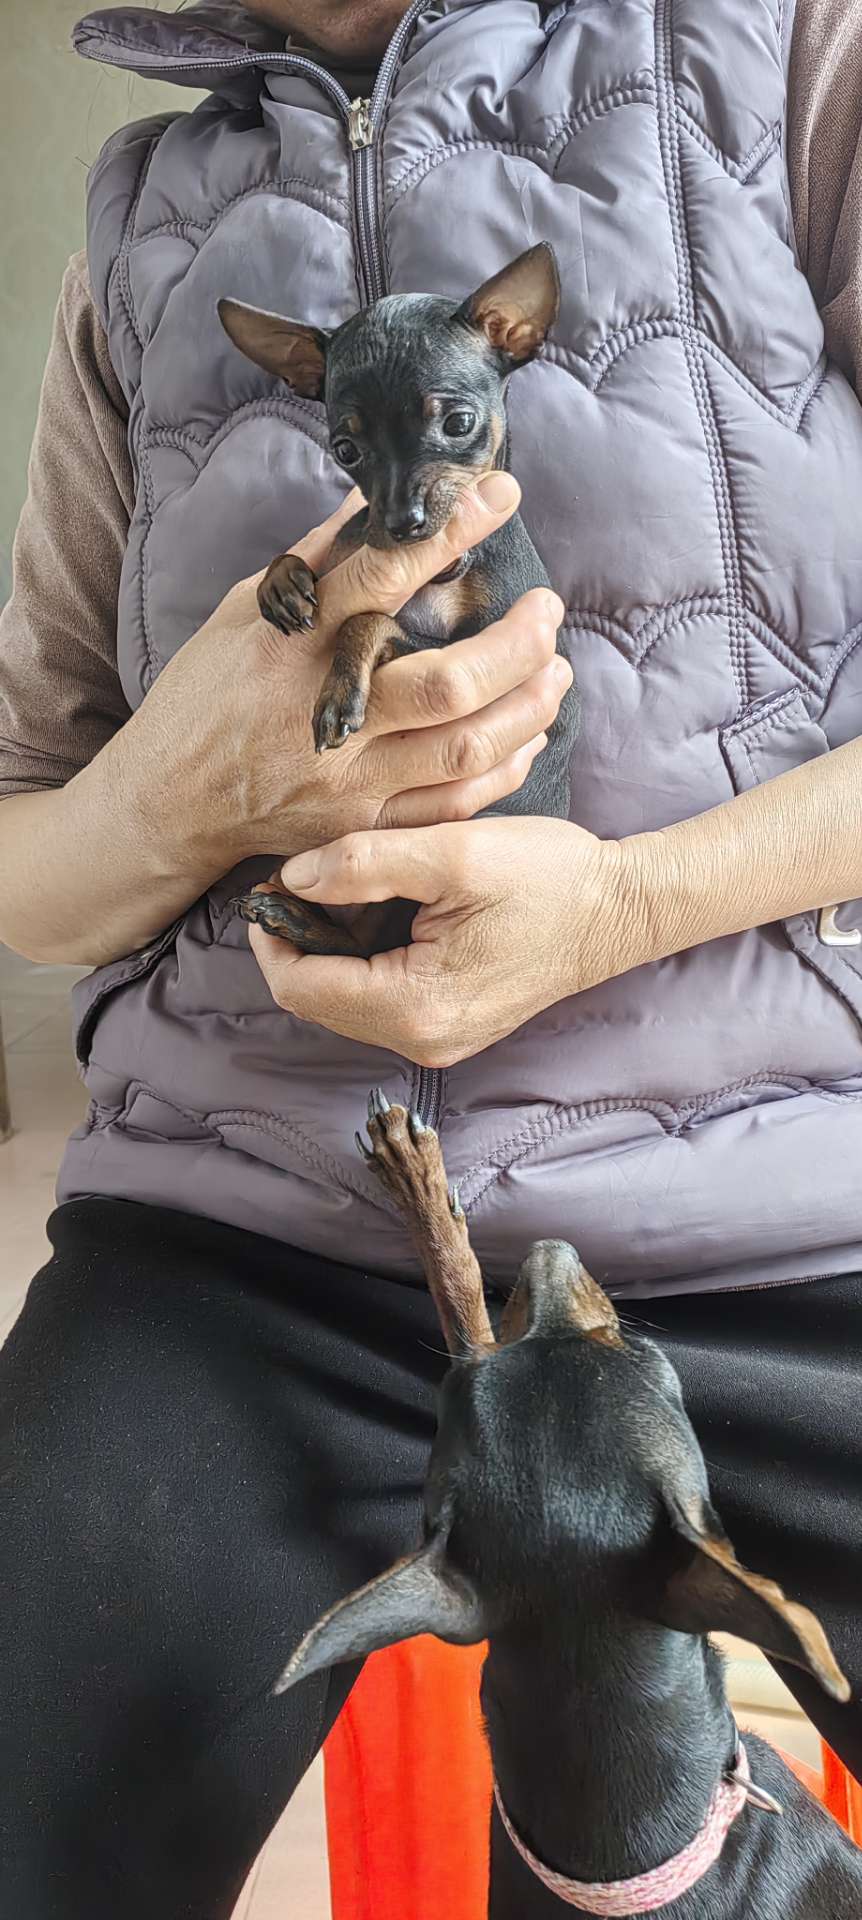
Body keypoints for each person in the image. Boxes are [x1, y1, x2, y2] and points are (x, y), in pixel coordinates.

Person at [1, 1, 861, 1912]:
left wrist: (629, 907)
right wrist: (176, 801)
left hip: (794, 1219)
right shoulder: (142, 221)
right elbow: (26, 855)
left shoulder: (791, 48)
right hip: (251, 1250)